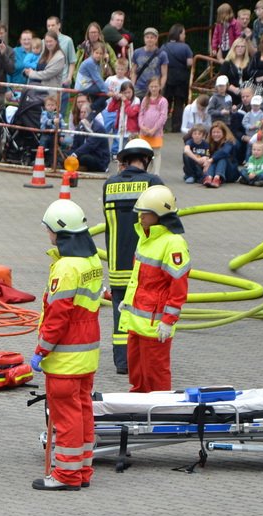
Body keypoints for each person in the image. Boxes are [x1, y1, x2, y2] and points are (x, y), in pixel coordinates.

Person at [30, 200, 102, 491]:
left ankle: (66, 475)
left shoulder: (66, 268)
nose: (47, 234)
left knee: (67, 416)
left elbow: (57, 317)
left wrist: (40, 351)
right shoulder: (91, 261)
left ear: (59, 232)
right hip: (87, 355)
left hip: (65, 358)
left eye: (48, 230)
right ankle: (82, 470)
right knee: (83, 411)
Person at [119, 185, 189, 393]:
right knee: (137, 374)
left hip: (156, 325)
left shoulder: (173, 243)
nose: (140, 217)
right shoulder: (146, 236)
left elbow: (178, 287)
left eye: (145, 213)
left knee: (156, 377)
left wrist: (168, 321)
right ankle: (138, 409)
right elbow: (138, 278)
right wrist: (128, 300)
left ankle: (161, 415)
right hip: (138, 321)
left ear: (160, 215)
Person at [102, 139, 164, 374]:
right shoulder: (153, 183)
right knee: (145, 312)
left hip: (117, 263)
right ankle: (143, 359)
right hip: (146, 263)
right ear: (147, 159)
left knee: (121, 313)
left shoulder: (109, 185)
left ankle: (122, 362)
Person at [162, 24, 193, 133]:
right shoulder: (185, 47)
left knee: (166, 102)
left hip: (168, 77)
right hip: (181, 78)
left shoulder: (164, 46)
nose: (185, 36)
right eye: (183, 33)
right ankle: (176, 127)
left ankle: (162, 126)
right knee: (179, 103)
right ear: (179, 34)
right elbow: (190, 63)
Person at [137, 77, 167, 174]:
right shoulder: (145, 100)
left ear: (159, 87)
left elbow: (163, 117)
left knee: (156, 153)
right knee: (145, 153)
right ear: (148, 88)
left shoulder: (163, 101)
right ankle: (145, 171)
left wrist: (154, 129)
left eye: (156, 86)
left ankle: (156, 173)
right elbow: (140, 114)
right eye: (152, 86)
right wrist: (142, 127)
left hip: (156, 132)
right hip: (144, 131)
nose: (154, 89)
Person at [131, 27, 168, 99]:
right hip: (139, 87)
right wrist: (132, 86)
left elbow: (164, 75)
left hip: (154, 88)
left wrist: (160, 88)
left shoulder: (162, 54)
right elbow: (134, 72)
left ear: (156, 39)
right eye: (147, 37)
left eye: (152, 37)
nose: (149, 39)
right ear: (144, 39)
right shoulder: (137, 52)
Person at [203, 120, 238, 187]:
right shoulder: (209, 143)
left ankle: (217, 178)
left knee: (222, 158)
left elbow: (224, 152)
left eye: (218, 132)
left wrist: (211, 160)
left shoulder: (229, 142)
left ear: (224, 133)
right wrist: (206, 161)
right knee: (215, 159)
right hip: (214, 170)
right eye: (214, 132)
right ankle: (209, 178)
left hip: (230, 172)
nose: (216, 134)